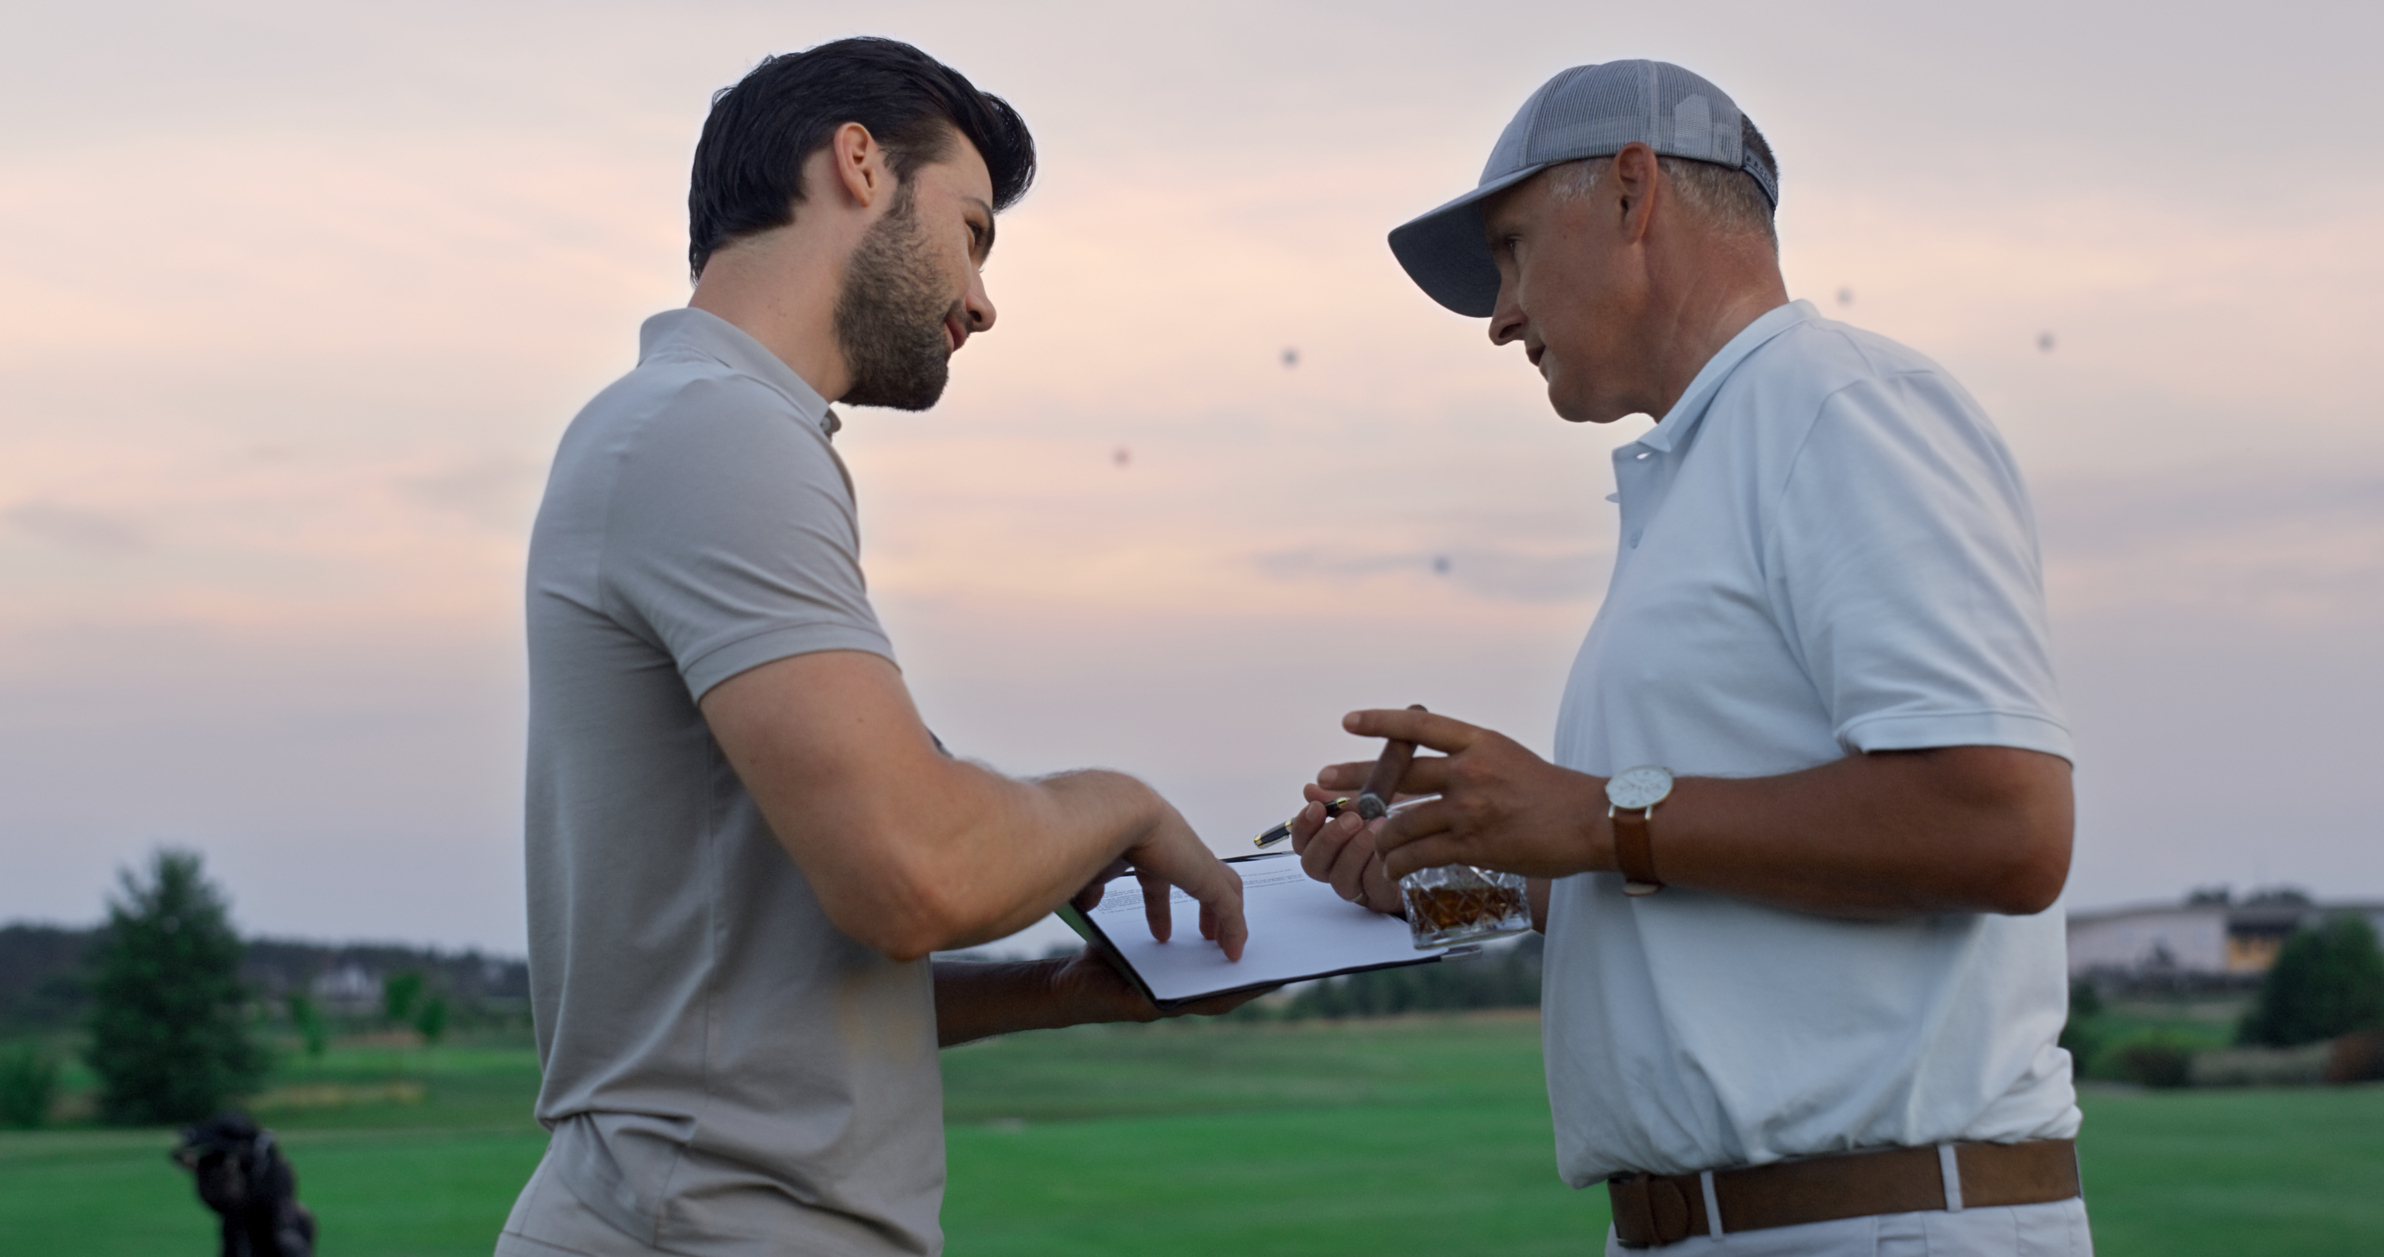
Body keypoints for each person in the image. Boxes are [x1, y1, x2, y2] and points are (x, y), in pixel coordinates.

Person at [1289, 61, 2091, 1255]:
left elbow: (2006, 827)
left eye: (1508, 251)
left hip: (1878, 1226)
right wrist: (1447, 865)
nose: (1499, 314)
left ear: (1629, 194)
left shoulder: (1839, 409)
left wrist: (1589, 811)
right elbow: (1650, 866)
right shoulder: (1712, 466)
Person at [496, 38, 1250, 1257]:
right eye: (972, 227)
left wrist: (1060, 992)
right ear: (857, 164)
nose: (984, 299)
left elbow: (754, 992)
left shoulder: (695, 430)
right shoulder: (716, 434)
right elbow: (915, 875)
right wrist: (1120, 804)